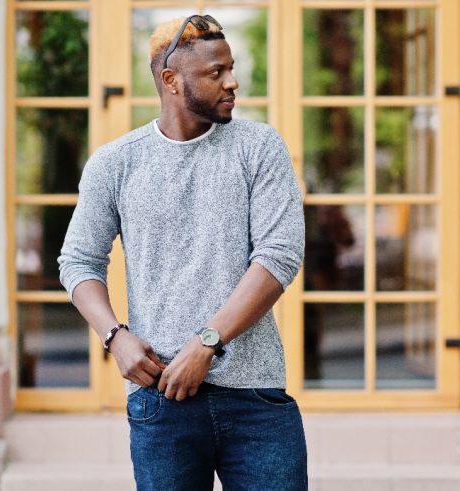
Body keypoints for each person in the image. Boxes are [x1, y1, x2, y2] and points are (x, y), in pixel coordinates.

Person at [57, 14, 307, 490]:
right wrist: (115, 337)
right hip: (161, 400)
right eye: (216, 72)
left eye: (231, 68)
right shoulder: (116, 163)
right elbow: (78, 261)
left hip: (255, 402)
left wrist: (208, 341)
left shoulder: (260, 148)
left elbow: (278, 256)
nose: (232, 82)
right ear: (171, 80)